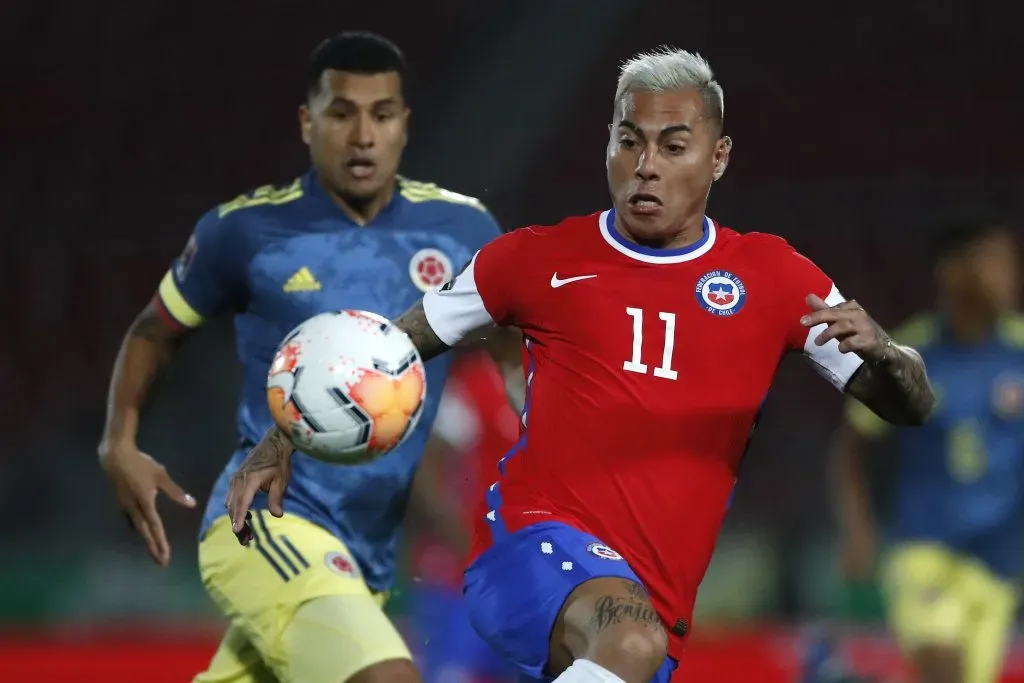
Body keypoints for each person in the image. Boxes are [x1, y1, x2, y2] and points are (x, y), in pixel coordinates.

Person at [227, 47, 935, 683]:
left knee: (633, 643)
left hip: (652, 604)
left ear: (717, 157)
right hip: (529, 548)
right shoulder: (533, 261)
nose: (646, 165)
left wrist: (887, 353)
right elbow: (384, 350)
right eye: (630, 141)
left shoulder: (776, 277)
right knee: (628, 640)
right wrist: (279, 438)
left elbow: (909, 405)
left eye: (673, 145)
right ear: (609, 145)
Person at [98, 31, 512, 683]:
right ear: (307, 121)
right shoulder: (245, 231)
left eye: (382, 114)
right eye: (342, 113)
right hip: (266, 525)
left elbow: (511, 346)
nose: (363, 135)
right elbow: (154, 329)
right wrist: (118, 440)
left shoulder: (462, 232)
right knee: (389, 678)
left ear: (405, 124)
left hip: (366, 556)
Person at [831, 215, 1023, 683]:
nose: (1009, 275)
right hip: (924, 555)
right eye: (994, 262)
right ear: (953, 271)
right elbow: (852, 447)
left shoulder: (1019, 348)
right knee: (942, 665)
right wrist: (859, 528)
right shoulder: (910, 354)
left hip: (998, 562)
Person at [405, 334, 522, 683]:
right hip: (463, 580)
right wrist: (458, 535)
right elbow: (425, 462)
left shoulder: (561, 382)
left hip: (530, 579)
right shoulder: (477, 382)